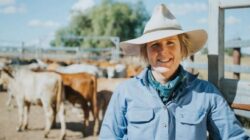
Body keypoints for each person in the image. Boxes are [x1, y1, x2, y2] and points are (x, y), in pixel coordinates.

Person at [99, 4, 250, 140]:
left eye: (170, 42)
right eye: (155, 45)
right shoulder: (125, 92)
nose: (163, 52)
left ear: (182, 49)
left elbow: (234, 137)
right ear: (146, 52)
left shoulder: (207, 94)